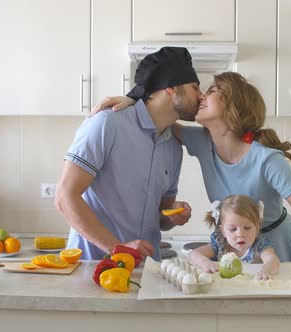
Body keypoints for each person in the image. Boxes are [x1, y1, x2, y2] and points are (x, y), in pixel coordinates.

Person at [93, 71, 291, 280]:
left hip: (280, 249)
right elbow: (159, 116)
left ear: (233, 107)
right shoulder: (202, 142)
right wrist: (133, 101)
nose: (202, 95)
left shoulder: (266, 160)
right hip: (235, 245)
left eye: (213, 91)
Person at [55, 47, 202, 261]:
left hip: (145, 270)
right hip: (95, 266)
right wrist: (117, 248)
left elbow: (160, 215)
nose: (201, 95)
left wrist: (173, 215)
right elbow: (64, 197)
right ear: (171, 88)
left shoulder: (173, 146)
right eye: (195, 88)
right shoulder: (107, 124)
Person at [188, 195, 281, 280]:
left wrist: (267, 270)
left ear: (257, 227)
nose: (240, 234)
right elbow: (193, 255)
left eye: (247, 228)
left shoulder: (260, 244)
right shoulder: (220, 243)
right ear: (223, 231)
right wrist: (204, 262)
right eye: (233, 229)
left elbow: (272, 260)